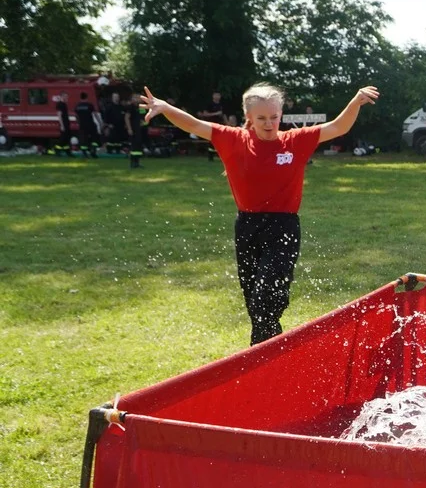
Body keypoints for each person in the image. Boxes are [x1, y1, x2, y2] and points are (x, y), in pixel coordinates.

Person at [138, 82, 379, 345]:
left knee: (267, 296)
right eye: (261, 118)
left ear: (281, 115)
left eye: (274, 117)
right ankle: (268, 349)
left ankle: (263, 351)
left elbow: (337, 127)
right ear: (249, 118)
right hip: (247, 227)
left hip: (283, 227)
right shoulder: (233, 139)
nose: (269, 123)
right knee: (254, 300)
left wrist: (355, 101)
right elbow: (194, 124)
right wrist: (164, 107)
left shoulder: (294, 141)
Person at [198, 91, 227, 161]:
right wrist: (216, 113)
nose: (217, 96)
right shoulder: (209, 104)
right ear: (213, 96)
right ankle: (210, 156)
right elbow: (205, 114)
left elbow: (223, 115)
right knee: (212, 140)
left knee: (220, 140)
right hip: (211, 124)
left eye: (218, 95)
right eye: (216, 95)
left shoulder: (222, 104)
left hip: (220, 124)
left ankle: (221, 156)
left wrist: (227, 123)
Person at [74, 91, 100, 158]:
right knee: (94, 138)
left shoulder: (77, 106)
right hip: (90, 124)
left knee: (83, 139)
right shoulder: (89, 105)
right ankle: (93, 151)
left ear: (80, 98)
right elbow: (95, 114)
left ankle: (84, 153)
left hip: (82, 125)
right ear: (86, 97)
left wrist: (78, 123)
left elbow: (76, 116)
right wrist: (100, 122)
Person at [124, 92, 145, 169]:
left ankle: (137, 162)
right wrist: (129, 128)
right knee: (134, 146)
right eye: (135, 97)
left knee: (139, 146)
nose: (136, 99)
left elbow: (144, 117)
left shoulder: (141, 107)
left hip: (140, 129)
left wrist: (144, 122)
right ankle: (132, 163)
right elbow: (126, 118)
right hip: (133, 129)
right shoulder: (130, 107)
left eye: (138, 97)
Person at [55, 92, 71, 156]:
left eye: (67, 97)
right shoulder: (60, 104)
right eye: (65, 96)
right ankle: (57, 149)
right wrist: (62, 125)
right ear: (62, 97)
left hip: (66, 123)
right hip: (63, 124)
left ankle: (67, 151)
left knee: (67, 138)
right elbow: (59, 115)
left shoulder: (64, 104)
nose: (67, 98)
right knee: (63, 138)